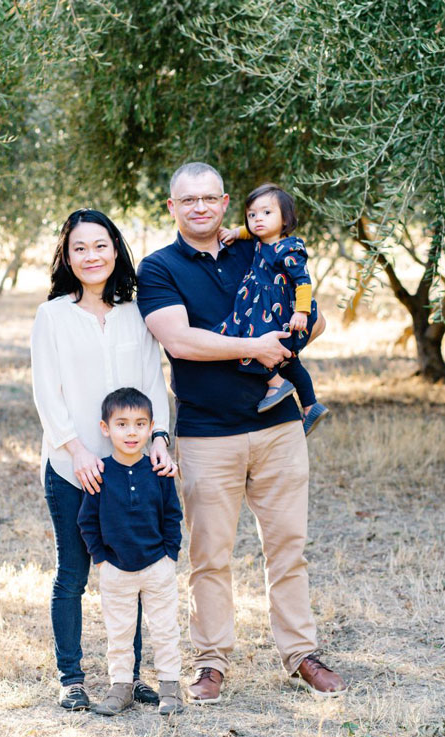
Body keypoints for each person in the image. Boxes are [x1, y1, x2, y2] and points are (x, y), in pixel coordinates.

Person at [137, 162, 346, 703]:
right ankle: (210, 663)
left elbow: (314, 319)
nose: (200, 207)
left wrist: (292, 334)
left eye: (210, 198)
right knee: (210, 554)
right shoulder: (159, 268)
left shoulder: (258, 248)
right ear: (172, 208)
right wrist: (254, 345)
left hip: (280, 428)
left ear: (226, 201)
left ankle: (300, 654)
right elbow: (180, 342)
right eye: (189, 200)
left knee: (288, 548)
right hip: (207, 435)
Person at [31, 208, 175, 711]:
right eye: (79, 249)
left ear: (116, 249)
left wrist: (159, 437)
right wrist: (75, 450)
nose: (91, 256)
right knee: (73, 573)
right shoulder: (52, 315)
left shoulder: (138, 313)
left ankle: (127, 678)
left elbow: (153, 381)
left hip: (130, 468)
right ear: (67, 258)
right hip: (72, 467)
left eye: (100, 245)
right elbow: (47, 393)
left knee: (130, 567)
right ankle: (72, 679)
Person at [78, 387, 184, 717]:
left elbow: (172, 514)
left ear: (151, 428)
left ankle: (170, 687)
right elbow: (87, 521)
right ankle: (121, 687)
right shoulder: (100, 472)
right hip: (116, 570)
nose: (131, 432)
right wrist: (101, 560)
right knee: (120, 632)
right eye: (122, 424)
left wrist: (170, 555)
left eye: (140, 424)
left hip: (157, 566)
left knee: (165, 629)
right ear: (105, 428)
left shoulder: (157, 470)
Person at [216, 183, 329, 435]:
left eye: (267, 213)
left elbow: (303, 281)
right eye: (252, 215)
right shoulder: (259, 239)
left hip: (278, 311)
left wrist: (302, 312)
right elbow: (249, 232)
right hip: (263, 304)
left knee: (253, 343)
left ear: (285, 218)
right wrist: (236, 232)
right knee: (289, 359)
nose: (258, 220)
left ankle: (275, 383)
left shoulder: (288, 248)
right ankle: (311, 406)